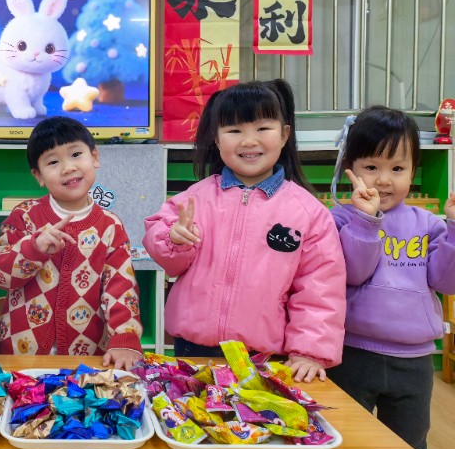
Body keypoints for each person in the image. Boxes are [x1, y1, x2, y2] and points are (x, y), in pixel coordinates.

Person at [143, 80, 346, 382]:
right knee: (193, 411)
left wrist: (309, 351)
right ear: (216, 138)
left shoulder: (308, 212)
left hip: (264, 357)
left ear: (284, 134)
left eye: (262, 128)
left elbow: (320, 289)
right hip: (193, 349)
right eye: (235, 131)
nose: (249, 141)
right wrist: (174, 240)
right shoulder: (195, 198)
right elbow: (165, 253)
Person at [327, 106, 455, 449]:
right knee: (345, 445)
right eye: (371, 167)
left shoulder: (429, 223)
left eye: (397, 168)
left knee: (409, 448)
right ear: (349, 167)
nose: (384, 180)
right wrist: (366, 220)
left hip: (414, 361)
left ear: (413, 171)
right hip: (351, 354)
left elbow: (446, 283)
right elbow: (354, 273)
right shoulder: (339, 219)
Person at [0, 116, 143, 370]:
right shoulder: (25, 215)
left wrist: (125, 337)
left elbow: (120, 286)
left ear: (95, 157)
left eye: (76, 154)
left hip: (86, 358)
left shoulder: (110, 225)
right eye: (53, 162)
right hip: (20, 355)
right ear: (38, 175)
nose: (68, 168)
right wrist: (33, 248)